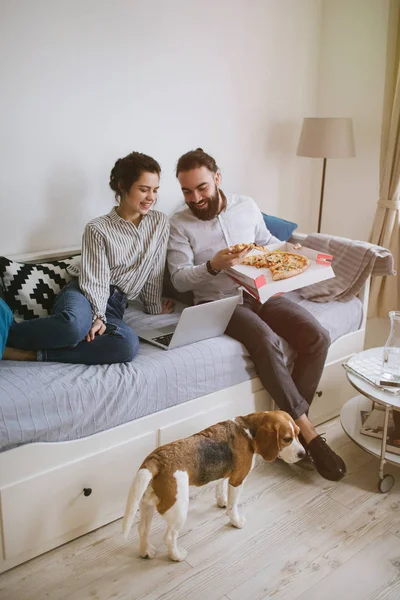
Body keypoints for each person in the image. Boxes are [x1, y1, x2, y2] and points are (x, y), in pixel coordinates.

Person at [167, 148, 346, 481]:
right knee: (266, 340)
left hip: (262, 293)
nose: (195, 198)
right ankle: (307, 433)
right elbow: (178, 277)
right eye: (187, 191)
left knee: (317, 337)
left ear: (217, 179)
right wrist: (212, 266)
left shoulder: (245, 206)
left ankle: (282, 432)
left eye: (202, 188)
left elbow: (266, 242)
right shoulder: (180, 224)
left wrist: (290, 249)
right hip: (221, 302)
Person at [3, 151, 173, 365]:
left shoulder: (159, 222)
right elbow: (96, 280)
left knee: (126, 344)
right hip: (84, 292)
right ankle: (5, 335)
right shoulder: (98, 228)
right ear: (122, 186)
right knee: (74, 327)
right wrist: (97, 316)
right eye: (144, 189)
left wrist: (153, 306)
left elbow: (155, 270)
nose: (151, 197)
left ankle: (28, 354)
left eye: (155, 190)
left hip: (116, 305)